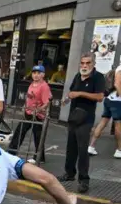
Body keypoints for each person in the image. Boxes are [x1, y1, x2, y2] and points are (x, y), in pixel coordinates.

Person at [60, 52, 106, 193]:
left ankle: (84, 180)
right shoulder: (77, 76)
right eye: (83, 63)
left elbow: (99, 97)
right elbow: (71, 92)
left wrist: (80, 93)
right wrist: (67, 99)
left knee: (82, 150)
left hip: (86, 119)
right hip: (74, 116)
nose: (85, 66)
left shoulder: (98, 77)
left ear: (93, 64)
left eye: (88, 63)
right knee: (71, 147)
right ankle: (69, 173)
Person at [8, 65, 51, 163]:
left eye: (38, 73)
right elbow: (29, 97)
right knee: (20, 131)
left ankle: (40, 157)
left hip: (37, 115)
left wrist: (39, 109)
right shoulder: (32, 84)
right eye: (34, 73)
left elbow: (47, 102)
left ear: (43, 75)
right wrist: (25, 105)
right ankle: (11, 152)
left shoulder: (44, 87)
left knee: (38, 136)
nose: (36, 75)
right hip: (28, 112)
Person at [88, 64, 121, 159]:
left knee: (103, 122)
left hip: (110, 99)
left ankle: (91, 146)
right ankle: (119, 150)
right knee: (118, 124)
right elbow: (117, 84)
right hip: (116, 101)